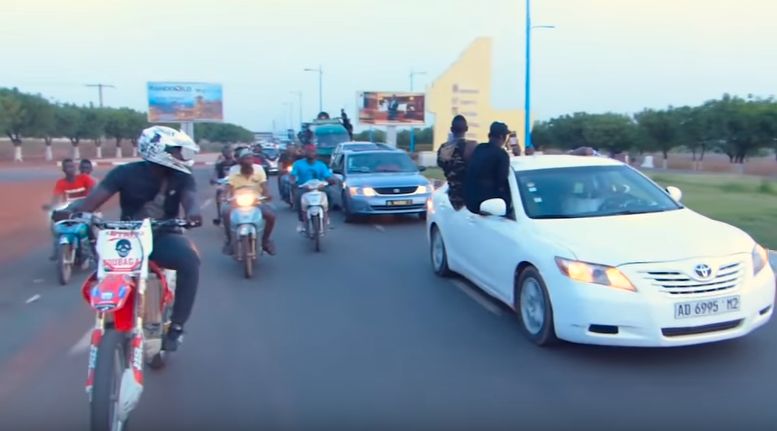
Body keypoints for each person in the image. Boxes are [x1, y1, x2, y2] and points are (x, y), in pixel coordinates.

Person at [69, 125, 203, 352]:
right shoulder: (125, 172)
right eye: (176, 151)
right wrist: (74, 211)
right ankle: (111, 318)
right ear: (158, 149)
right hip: (127, 239)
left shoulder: (182, 176)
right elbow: (92, 201)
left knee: (190, 260)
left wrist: (193, 213)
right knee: (103, 271)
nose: (181, 156)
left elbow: (190, 199)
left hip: (163, 236)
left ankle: (177, 326)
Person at [222, 148, 276, 255]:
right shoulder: (234, 170)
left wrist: (267, 194)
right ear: (240, 161)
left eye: (251, 158)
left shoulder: (259, 169)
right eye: (246, 159)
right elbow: (229, 186)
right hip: (237, 200)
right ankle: (230, 241)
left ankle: (265, 240)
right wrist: (225, 195)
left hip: (256, 200)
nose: (249, 161)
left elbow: (264, 185)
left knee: (271, 215)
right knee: (226, 213)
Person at [43, 158, 98, 260]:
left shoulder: (84, 178)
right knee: (54, 221)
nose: (70, 169)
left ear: (75, 168)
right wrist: (50, 206)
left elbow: (92, 192)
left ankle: (93, 250)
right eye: (67, 167)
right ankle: (57, 248)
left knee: (89, 226)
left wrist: (89, 204)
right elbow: (56, 198)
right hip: (70, 209)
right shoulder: (61, 183)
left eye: (72, 166)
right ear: (63, 170)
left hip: (85, 207)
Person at [464, 122, 512, 215]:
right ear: (502, 137)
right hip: (489, 207)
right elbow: (502, 183)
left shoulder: (479, 148)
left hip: (470, 203)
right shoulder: (502, 155)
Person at [290, 144, 337, 232]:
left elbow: (327, 176)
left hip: (319, 187)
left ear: (315, 153)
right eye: (308, 151)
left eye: (312, 151)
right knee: (298, 198)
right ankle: (301, 220)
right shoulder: (298, 164)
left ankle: (326, 216)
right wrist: (293, 183)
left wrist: (331, 181)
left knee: (329, 195)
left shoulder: (321, 165)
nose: (311, 153)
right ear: (305, 152)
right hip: (304, 187)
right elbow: (293, 175)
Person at [437, 115, 477, 210]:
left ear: (451, 129)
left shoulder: (443, 149)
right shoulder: (471, 147)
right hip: (468, 199)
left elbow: (441, 164)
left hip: (452, 197)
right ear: (466, 129)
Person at [210, 144, 237, 225]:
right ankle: (219, 216)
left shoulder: (237, 163)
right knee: (219, 194)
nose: (228, 154)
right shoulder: (220, 164)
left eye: (229, 152)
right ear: (223, 153)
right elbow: (214, 174)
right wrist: (213, 179)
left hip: (235, 183)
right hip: (223, 183)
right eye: (226, 152)